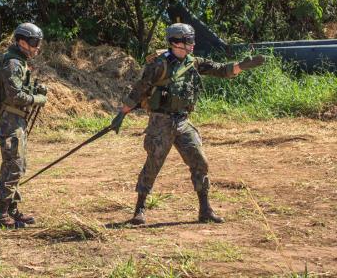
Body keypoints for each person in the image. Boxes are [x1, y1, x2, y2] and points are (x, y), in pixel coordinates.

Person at [110, 23, 265, 225]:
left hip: (182, 121)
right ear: (175, 42)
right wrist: (122, 114)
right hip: (161, 122)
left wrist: (240, 66)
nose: (192, 44)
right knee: (153, 164)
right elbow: (140, 90)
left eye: (192, 40)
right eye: (188, 41)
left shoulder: (194, 62)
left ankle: (205, 210)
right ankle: (139, 210)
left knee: (199, 161)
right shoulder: (158, 65)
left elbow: (219, 69)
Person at [0, 22, 48, 228]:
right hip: (10, 121)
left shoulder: (19, 62)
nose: (36, 47)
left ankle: (11, 210)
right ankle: (1, 215)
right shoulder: (13, 63)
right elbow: (15, 95)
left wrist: (35, 89)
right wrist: (37, 98)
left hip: (15, 120)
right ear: (21, 41)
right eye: (33, 42)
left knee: (17, 165)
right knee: (13, 167)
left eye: (38, 42)